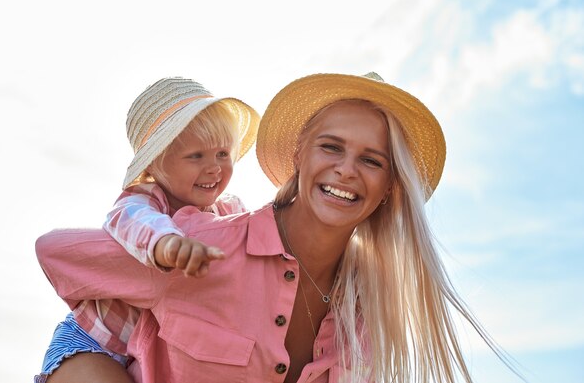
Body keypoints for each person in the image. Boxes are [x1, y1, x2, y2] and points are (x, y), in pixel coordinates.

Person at [36, 72, 517, 383]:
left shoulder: (367, 315)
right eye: (331, 147)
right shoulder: (187, 239)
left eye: (371, 160)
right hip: (91, 348)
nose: (348, 170)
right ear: (298, 156)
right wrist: (162, 245)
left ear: (391, 187)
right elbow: (58, 251)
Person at [35, 77, 260, 383]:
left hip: (145, 351)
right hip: (94, 342)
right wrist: (167, 244)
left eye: (223, 154)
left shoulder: (228, 210)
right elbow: (137, 223)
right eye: (196, 156)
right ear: (155, 165)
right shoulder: (142, 201)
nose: (214, 167)